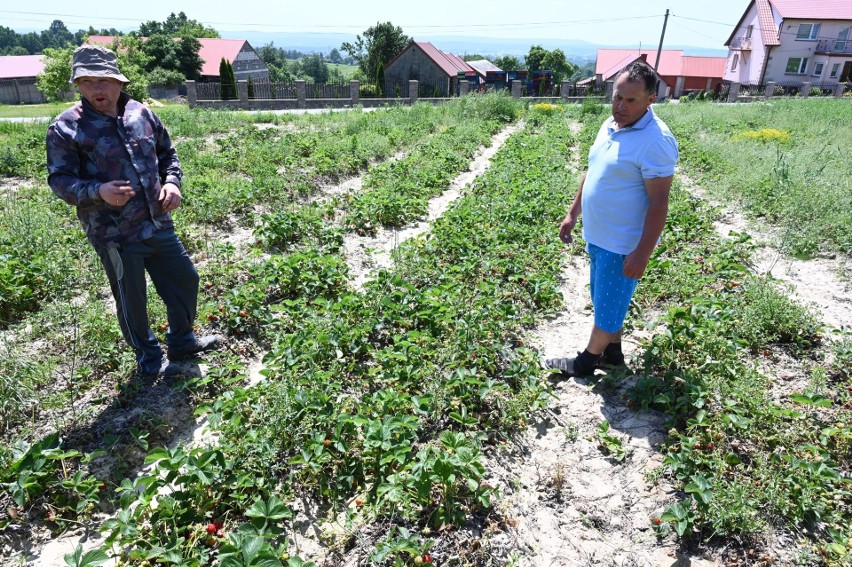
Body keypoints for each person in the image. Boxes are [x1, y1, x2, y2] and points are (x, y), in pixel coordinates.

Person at [46, 45, 221, 376]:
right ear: (78, 85)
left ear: (120, 82)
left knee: (186, 280)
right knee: (132, 302)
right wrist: (97, 191)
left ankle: (182, 340)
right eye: (88, 81)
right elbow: (60, 180)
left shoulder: (141, 114)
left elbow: (167, 154)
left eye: (105, 80)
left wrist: (172, 183)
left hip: (157, 223)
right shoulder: (66, 127)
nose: (98, 89)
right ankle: (149, 359)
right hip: (114, 235)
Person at [545, 61, 678, 377]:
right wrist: (572, 213)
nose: (621, 106)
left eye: (631, 100)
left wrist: (642, 253)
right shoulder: (610, 125)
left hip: (622, 242)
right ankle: (614, 355)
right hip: (598, 235)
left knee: (607, 309)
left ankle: (585, 363)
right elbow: (593, 171)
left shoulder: (656, 141)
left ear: (650, 100)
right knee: (606, 299)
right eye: (618, 97)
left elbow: (659, 203)